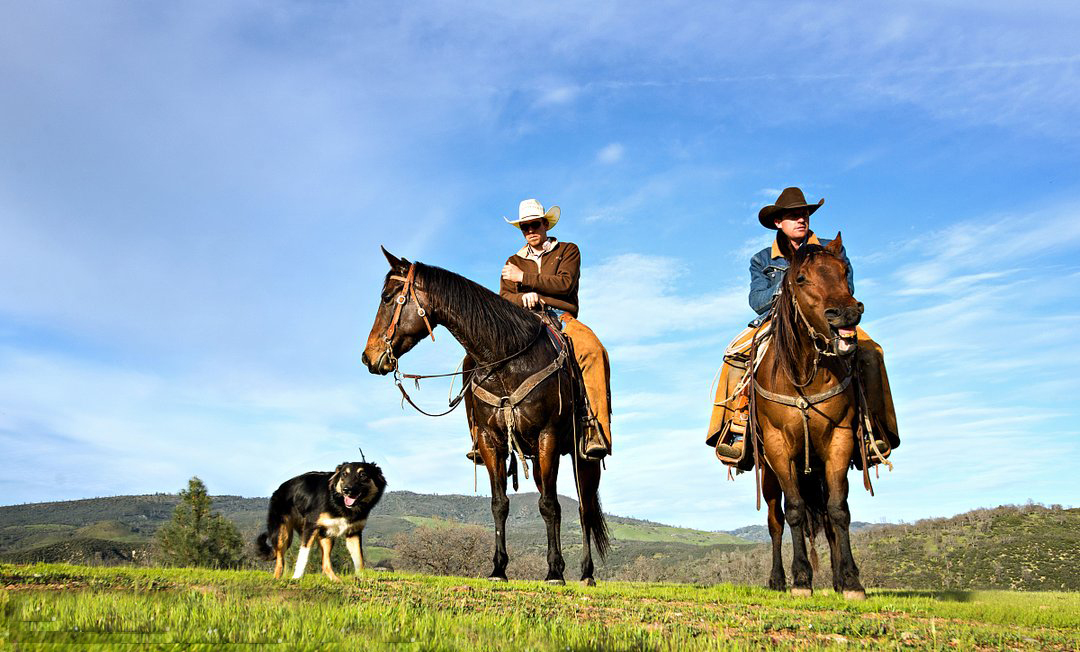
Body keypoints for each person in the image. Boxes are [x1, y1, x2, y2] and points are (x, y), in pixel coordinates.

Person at [706, 187, 899, 462]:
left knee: (871, 352)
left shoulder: (831, 248)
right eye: (794, 215)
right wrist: (785, 287)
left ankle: (873, 429)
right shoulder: (762, 259)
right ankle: (738, 426)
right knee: (735, 356)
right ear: (778, 222)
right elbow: (756, 300)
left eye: (804, 214)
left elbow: (847, 287)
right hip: (777, 322)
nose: (801, 220)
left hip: (825, 320)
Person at [465, 198, 612, 462]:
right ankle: (479, 435)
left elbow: (565, 284)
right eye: (525, 227)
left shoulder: (568, 251)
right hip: (520, 323)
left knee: (592, 351)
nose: (530, 230)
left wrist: (525, 280)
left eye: (534, 224)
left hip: (560, 317)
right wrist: (522, 299)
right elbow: (503, 298)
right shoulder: (513, 260)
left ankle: (594, 428)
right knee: (471, 361)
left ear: (545, 224)